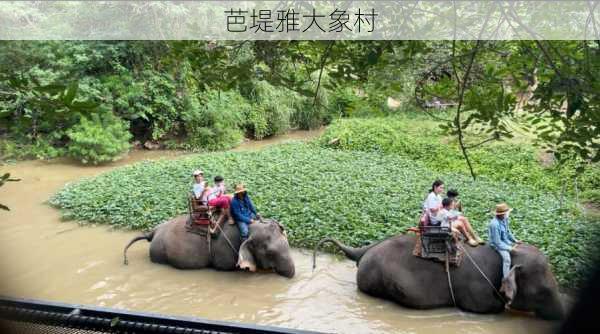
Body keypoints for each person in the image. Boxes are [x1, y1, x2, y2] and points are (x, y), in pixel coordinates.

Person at [488, 203, 521, 279]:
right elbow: (497, 242)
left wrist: (515, 241)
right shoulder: (494, 224)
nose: (507, 214)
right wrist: (510, 248)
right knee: (507, 259)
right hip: (497, 244)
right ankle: (506, 279)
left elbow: (508, 232)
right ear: (501, 214)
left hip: (505, 241)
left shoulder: (505, 219)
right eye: (506, 213)